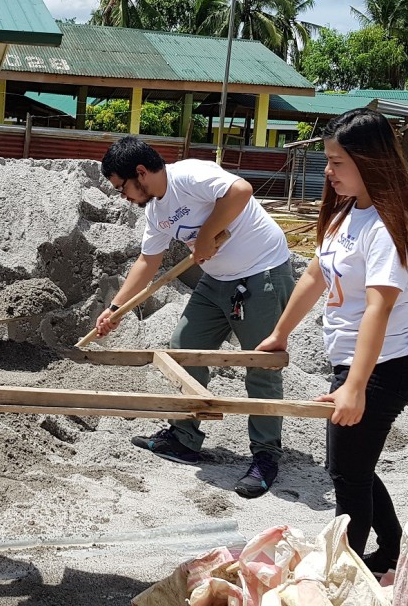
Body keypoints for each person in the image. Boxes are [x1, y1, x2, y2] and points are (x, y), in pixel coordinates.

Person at [257, 108, 408, 574]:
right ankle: (392, 552)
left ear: (370, 162)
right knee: (356, 467)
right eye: (329, 161)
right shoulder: (347, 214)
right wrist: (279, 334)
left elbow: (380, 308)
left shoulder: (393, 229)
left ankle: (342, 569)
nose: (328, 172)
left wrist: (356, 385)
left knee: (347, 475)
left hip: (385, 367)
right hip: (355, 364)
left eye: (337, 163)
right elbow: (314, 277)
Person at [95, 136, 294, 498]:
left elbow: (241, 191)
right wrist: (116, 309)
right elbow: (147, 261)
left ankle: (266, 456)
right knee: (183, 350)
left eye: (123, 187)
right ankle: (184, 438)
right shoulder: (156, 212)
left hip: (260, 272)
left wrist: (204, 234)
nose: (124, 196)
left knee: (261, 364)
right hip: (216, 280)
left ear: (141, 172)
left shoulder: (189, 175)